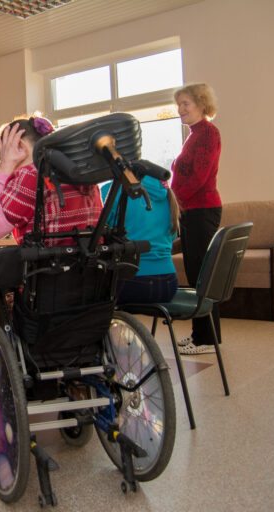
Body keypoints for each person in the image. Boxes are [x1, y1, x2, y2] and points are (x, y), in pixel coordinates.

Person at [0, 114, 102, 246]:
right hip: (91, 257)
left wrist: (4, 168)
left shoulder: (31, 174)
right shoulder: (83, 172)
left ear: (20, 146)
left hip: (50, 258)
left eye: (4, 156)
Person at [171, 83, 222, 355]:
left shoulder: (208, 133)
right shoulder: (195, 134)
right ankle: (201, 334)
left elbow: (198, 177)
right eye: (178, 104)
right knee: (196, 275)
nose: (180, 109)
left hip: (201, 210)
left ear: (201, 105)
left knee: (203, 277)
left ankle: (206, 340)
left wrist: (175, 196)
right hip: (192, 211)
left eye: (185, 104)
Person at [101, 176, 180, 304]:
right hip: (168, 283)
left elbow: (99, 235)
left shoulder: (112, 190)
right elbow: (171, 236)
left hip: (132, 279)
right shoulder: (165, 192)